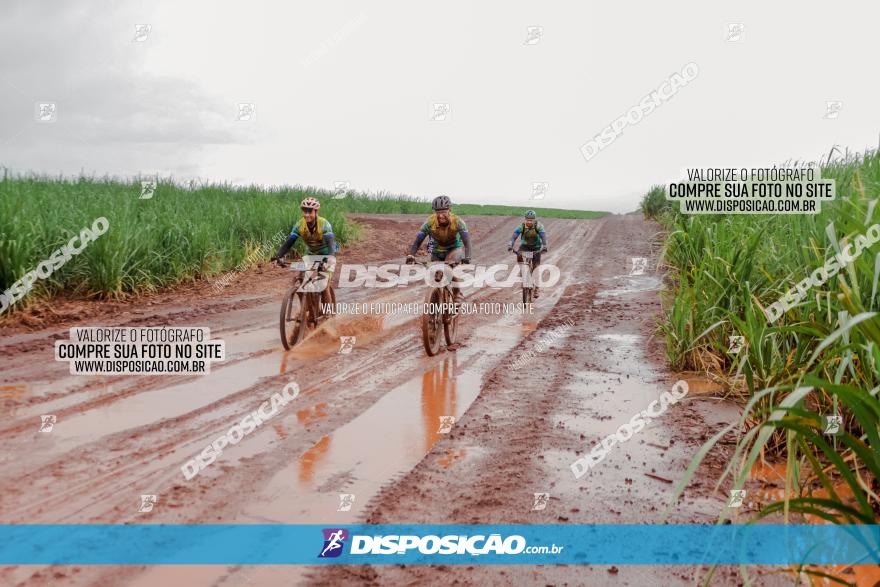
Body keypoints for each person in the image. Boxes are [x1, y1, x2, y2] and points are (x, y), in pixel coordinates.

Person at [271, 196, 336, 304]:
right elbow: (289, 243)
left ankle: (328, 313)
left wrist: (329, 260)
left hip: (326, 255)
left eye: (309, 211)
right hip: (310, 255)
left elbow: (331, 245)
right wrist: (278, 256)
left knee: (324, 286)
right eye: (304, 211)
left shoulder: (324, 224)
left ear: (316, 211)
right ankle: (305, 312)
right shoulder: (299, 225)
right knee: (302, 280)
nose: (306, 214)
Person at [406, 195, 472, 301]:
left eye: (443, 212)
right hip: (437, 250)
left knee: (449, 269)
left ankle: (457, 294)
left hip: (454, 249)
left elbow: (467, 242)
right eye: (438, 212)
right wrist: (411, 255)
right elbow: (418, 240)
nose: (441, 216)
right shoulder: (430, 222)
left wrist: (467, 257)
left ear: (449, 210)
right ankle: (434, 301)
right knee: (435, 275)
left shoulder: (458, 222)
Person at [508, 210, 548, 297]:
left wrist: (544, 246)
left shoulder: (539, 226)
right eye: (528, 220)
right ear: (525, 219)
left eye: (531, 220)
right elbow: (515, 235)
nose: (529, 221)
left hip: (536, 247)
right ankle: (522, 270)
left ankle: (537, 289)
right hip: (525, 246)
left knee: (536, 268)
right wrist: (510, 244)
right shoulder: (522, 226)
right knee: (519, 254)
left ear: (534, 220)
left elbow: (543, 235)